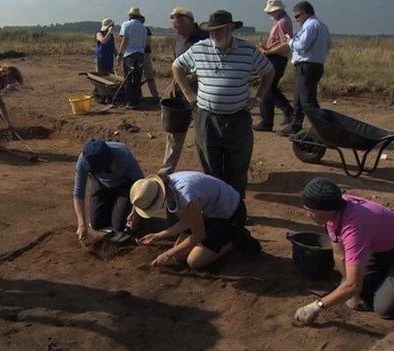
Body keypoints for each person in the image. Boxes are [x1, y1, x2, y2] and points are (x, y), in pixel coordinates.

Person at [172, 10, 274, 197]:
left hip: (238, 118)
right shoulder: (199, 49)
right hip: (207, 118)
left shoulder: (248, 50)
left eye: (218, 30)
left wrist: (259, 97)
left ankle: (235, 210)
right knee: (211, 168)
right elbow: (177, 67)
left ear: (230, 29)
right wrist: (189, 95)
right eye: (211, 31)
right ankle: (216, 209)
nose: (213, 35)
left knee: (238, 167)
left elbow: (268, 71)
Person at [294, 178, 394, 325]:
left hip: (384, 247)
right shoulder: (335, 210)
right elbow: (340, 255)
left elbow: (353, 285)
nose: (307, 215)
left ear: (323, 211)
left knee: (383, 308)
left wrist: (316, 307)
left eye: (309, 211)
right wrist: (352, 292)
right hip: (383, 247)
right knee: (355, 291)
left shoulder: (355, 229)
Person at [129, 171, 259, 269]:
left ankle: (236, 238)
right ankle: (218, 240)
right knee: (179, 256)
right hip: (210, 213)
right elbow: (187, 221)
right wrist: (157, 236)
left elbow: (199, 234)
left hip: (230, 214)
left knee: (194, 261)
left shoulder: (185, 195)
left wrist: (166, 254)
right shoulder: (170, 187)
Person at [159, 7, 208, 175]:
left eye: (179, 27)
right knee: (175, 131)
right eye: (175, 27)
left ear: (190, 23)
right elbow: (177, 65)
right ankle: (166, 171)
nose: (176, 30)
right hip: (181, 94)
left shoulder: (204, 39)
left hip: (202, 95)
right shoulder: (179, 39)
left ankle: (211, 174)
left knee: (204, 136)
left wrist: (185, 79)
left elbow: (208, 68)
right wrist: (174, 82)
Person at [73, 139, 144, 243]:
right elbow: (78, 192)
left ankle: (121, 208)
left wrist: (135, 211)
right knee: (96, 224)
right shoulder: (83, 160)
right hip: (101, 184)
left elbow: (142, 185)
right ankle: (112, 206)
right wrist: (81, 224)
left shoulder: (123, 154)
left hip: (124, 185)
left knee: (119, 225)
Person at [279, 1, 332, 136]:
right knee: (298, 99)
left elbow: (303, 45)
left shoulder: (310, 25)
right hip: (315, 65)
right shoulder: (322, 25)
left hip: (307, 66)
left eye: (297, 16)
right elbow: (328, 44)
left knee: (308, 101)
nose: (296, 20)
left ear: (305, 13)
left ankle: (324, 129)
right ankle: (295, 125)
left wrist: (290, 41)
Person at [254, 0, 294, 132]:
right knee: (267, 87)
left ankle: (287, 110)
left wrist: (268, 51)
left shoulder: (283, 22)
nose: (269, 14)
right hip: (274, 57)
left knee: (269, 86)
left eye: (271, 11)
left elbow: (286, 44)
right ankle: (267, 121)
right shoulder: (279, 21)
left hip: (277, 58)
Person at [117, 7, 147, 109]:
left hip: (129, 55)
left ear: (130, 15)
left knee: (128, 79)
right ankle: (138, 101)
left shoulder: (126, 25)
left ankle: (130, 102)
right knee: (138, 79)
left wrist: (120, 54)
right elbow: (144, 43)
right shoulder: (143, 28)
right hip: (140, 55)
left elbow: (124, 40)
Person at [140, 16, 160, 103]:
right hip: (139, 54)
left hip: (143, 54)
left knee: (148, 75)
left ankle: (155, 95)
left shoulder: (145, 29)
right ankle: (139, 95)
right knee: (138, 76)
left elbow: (148, 42)